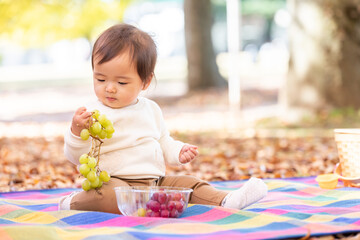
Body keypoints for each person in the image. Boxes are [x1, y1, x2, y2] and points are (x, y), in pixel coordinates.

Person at [59, 23, 268, 213]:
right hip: (115, 183)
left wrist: (178, 150)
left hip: (154, 183)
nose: (110, 88)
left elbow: (163, 140)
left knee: (189, 185)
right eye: (100, 78)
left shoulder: (151, 109)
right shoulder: (91, 115)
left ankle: (226, 200)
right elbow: (75, 156)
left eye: (122, 82)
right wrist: (76, 132)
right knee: (113, 196)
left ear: (145, 82)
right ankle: (73, 202)